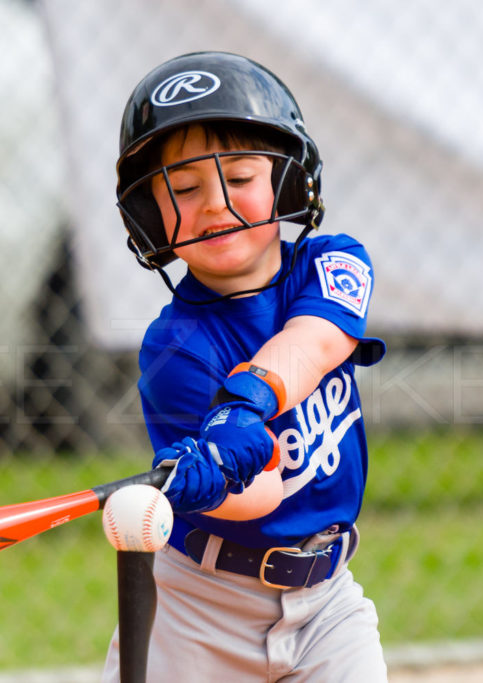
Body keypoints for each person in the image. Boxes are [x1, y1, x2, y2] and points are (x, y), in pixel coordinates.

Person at [101, 51, 389, 681]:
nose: (214, 204)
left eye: (240, 176)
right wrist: (218, 477)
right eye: (183, 189)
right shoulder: (175, 347)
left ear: (287, 182)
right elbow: (265, 491)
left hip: (327, 603)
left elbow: (316, 341)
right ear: (150, 214)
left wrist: (245, 407)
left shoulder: (331, 263)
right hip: (199, 611)